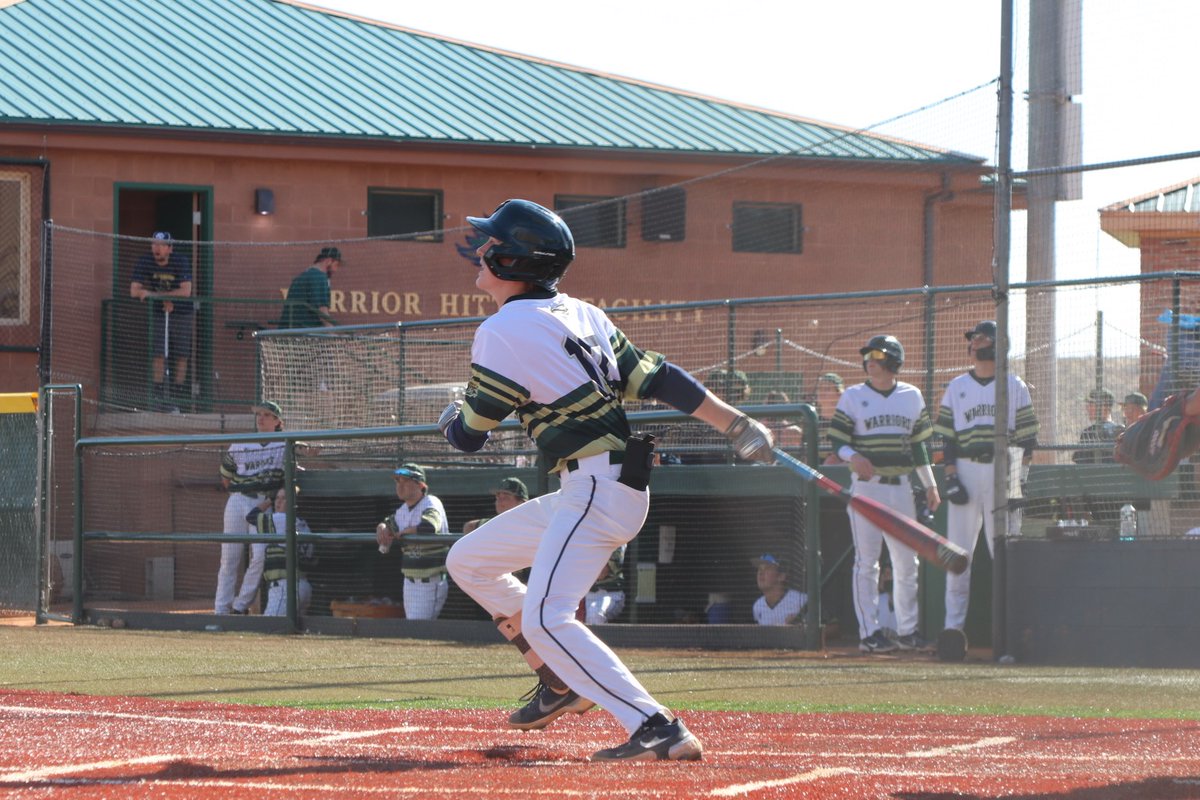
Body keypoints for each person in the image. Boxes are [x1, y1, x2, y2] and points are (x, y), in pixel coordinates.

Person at [440, 198, 774, 761]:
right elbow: (658, 378)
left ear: (514, 261)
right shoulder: (582, 311)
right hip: (596, 487)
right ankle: (561, 680)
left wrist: (452, 417)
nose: (481, 249)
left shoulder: (502, 329)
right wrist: (734, 421)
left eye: (491, 244)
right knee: (469, 560)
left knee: (548, 618)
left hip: (596, 488)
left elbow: (470, 435)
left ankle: (655, 725)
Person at [829, 334, 940, 654]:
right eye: (867, 355)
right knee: (867, 563)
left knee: (908, 563)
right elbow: (837, 439)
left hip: (901, 488)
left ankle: (908, 631)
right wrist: (853, 457)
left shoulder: (911, 395)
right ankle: (869, 634)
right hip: (866, 489)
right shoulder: (852, 396)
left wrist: (930, 483)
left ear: (893, 359)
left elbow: (919, 444)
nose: (869, 359)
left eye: (876, 354)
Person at [934, 321, 1038, 640]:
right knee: (957, 553)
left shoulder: (1014, 384)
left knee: (1006, 553)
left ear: (997, 344)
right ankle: (953, 629)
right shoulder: (956, 386)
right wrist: (951, 477)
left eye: (981, 337)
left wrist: (1018, 482)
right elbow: (945, 439)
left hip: (1001, 469)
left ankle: (1011, 627)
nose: (975, 342)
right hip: (965, 467)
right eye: (973, 338)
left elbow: (1026, 438)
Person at [215, 401, 286, 615]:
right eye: (259, 415)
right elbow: (225, 477)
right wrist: (241, 492)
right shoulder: (241, 443)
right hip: (238, 499)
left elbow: (298, 459)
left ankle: (239, 606)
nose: (261, 418)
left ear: (277, 421)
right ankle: (221, 609)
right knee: (229, 556)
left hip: (263, 502)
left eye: (266, 415)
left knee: (261, 555)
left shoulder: (284, 444)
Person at [375, 463, 451, 621]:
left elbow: (429, 527)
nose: (399, 485)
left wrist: (406, 532)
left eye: (405, 481)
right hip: (409, 581)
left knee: (418, 627)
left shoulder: (431, 502)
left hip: (430, 581)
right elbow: (389, 524)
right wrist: (382, 527)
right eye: (397, 481)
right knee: (414, 627)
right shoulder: (402, 510)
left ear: (420, 485)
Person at [129, 231, 193, 408]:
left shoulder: (180, 261)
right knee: (158, 353)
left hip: (182, 313)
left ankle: (178, 394)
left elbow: (186, 291)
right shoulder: (145, 261)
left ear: (170, 248)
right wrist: (161, 299)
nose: (157, 248)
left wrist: (154, 295)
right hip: (159, 312)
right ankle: (157, 394)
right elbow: (134, 291)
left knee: (182, 354)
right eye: (154, 244)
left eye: (162, 245)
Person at [246, 486, 315, 616]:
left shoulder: (281, 519)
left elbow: (251, 516)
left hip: (285, 588)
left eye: (284, 499)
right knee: (292, 634)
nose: (278, 502)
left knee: (269, 630)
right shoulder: (305, 525)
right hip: (304, 588)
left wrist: (268, 501)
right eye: (277, 498)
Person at [281, 246, 342, 328]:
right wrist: (332, 332)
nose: (336, 270)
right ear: (329, 261)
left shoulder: (303, 276)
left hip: (290, 330)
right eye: (336, 265)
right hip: (304, 332)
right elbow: (322, 310)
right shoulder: (319, 277)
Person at [750, 553, 806, 626]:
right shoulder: (757, 606)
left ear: (781, 576)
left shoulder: (802, 600)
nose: (760, 573)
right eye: (759, 569)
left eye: (767, 568)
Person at [1072, 388, 1125, 464]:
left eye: (1091, 404)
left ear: (1104, 407)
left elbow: (1081, 464)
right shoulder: (1121, 431)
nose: (1087, 408)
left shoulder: (1090, 431)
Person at [463, 477, 529, 534]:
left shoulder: (532, 524)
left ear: (521, 503)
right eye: (498, 497)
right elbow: (469, 526)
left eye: (506, 497)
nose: (499, 501)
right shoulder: (495, 523)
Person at [584, 546, 626, 625]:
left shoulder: (617, 542)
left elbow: (602, 573)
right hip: (588, 593)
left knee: (595, 614)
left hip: (611, 593)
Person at [815, 372, 845, 465]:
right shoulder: (812, 420)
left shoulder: (845, 422)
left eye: (827, 389)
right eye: (820, 388)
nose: (821, 392)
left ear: (839, 393)